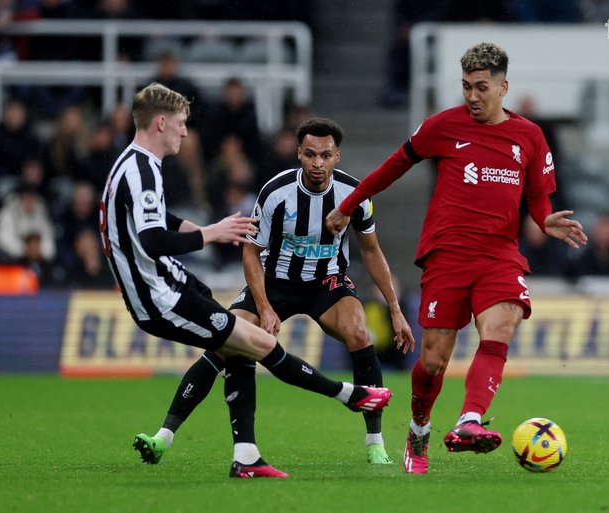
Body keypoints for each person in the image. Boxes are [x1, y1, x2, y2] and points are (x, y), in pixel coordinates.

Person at [100, 83, 392, 479]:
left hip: (324, 283)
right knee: (243, 343)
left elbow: (155, 221)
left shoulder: (130, 165)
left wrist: (394, 307)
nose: (186, 133)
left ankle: (365, 442)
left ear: (336, 155)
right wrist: (212, 234)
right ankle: (347, 396)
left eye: (326, 155)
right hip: (238, 286)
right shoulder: (274, 191)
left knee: (350, 333)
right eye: (183, 124)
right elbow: (166, 240)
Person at [326, 42, 588, 474]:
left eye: (481, 87)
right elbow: (393, 166)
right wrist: (350, 204)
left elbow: (540, 199)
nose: (472, 96)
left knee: (502, 325)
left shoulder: (530, 136)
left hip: (500, 254)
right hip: (447, 255)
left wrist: (545, 222)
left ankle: (469, 420)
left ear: (503, 87)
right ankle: (419, 428)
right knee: (433, 360)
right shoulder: (442, 127)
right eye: (466, 86)